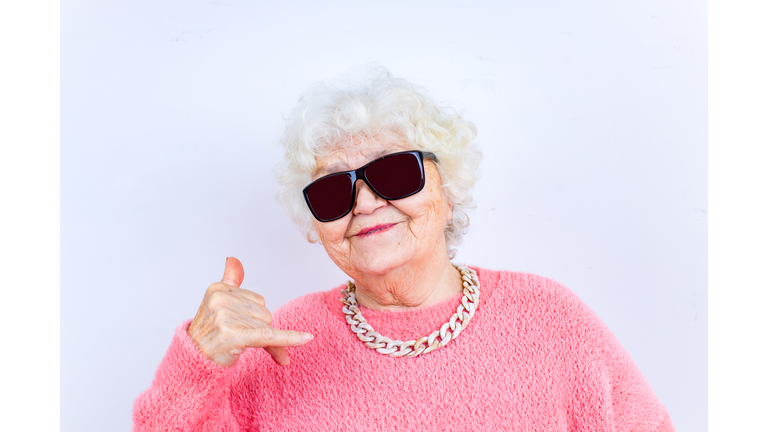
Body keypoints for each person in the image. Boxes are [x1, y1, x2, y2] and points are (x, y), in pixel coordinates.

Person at [133, 67, 675, 431]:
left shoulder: (549, 318)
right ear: (316, 221)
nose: (365, 202)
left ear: (448, 183)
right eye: (332, 189)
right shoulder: (279, 346)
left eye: (394, 170)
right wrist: (198, 364)